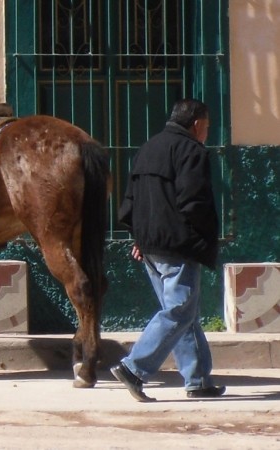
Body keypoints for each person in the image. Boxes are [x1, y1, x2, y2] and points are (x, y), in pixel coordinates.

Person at [111, 98, 226, 402]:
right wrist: (205, 239)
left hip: (150, 246)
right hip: (177, 245)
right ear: (197, 124)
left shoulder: (149, 148)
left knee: (184, 312)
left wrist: (139, 238)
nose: (207, 132)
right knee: (178, 310)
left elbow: (132, 200)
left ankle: (198, 379)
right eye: (208, 126)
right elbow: (194, 202)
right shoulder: (192, 151)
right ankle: (135, 368)